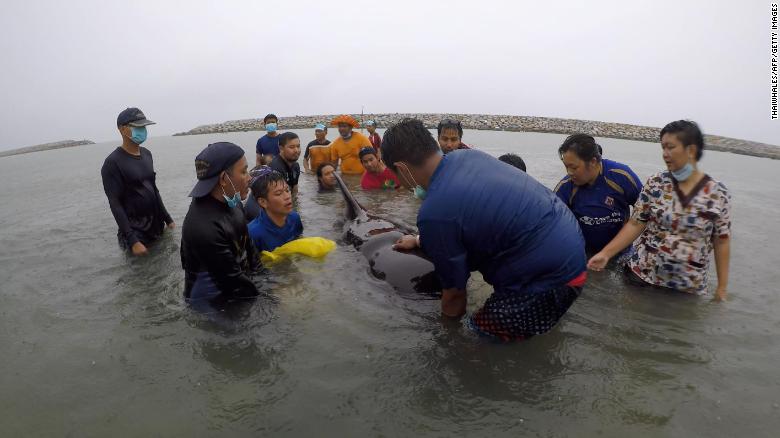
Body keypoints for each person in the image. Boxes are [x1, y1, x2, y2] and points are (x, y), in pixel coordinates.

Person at [385, 119, 587, 341]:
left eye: (395, 175)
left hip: (552, 279)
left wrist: (446, 336)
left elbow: (454, 295)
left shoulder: (434, 212)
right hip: (572, 247)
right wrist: (422, 240)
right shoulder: (469, 157)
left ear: (402, 168)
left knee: (477, 337)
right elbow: (479, 223)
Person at [588, 120, 731, 301]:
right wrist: (606, 253)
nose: (665, 154)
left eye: (670, 147)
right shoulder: (656, 182)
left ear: (691, 150)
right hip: (641, 276)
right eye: (663, 148)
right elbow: (635, 223)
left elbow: (722, 241)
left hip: (686, 288)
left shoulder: (718, 193)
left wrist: (722, 288)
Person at [181, 142, 259, 304]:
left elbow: (250, 250)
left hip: (238, 282)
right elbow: (233, 283)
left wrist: (268, 278)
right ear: (224, 179)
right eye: (244, 171)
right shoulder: (203, 227)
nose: (250, 177)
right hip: (212, 304)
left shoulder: (232, 200)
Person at [101, 107, 174, 256]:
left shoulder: (147, 154)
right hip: (136, 233)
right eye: (137, 126)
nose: (142, 130)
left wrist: (168, 219)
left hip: (157, 226)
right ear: (122, 129)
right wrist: (133, 240)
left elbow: (154, 189)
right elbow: (115, 203)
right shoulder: (112, 163)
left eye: (144, 126)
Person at [554, 134, 642, 254]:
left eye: (574, 167)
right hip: (585, 252)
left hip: (620, 251)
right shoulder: (565, 187)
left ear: (593, 162)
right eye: (566, 167)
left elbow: (646, 213)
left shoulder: (621, 176)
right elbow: (551, 223)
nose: (569, 172)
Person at [247, 167, 303, 252]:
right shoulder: (253, 233)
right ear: (263, 202)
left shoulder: (295, 218)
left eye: (287, 190)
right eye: (279, 193)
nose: (287, 196)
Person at [269, 132, 301, 197]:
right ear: (281, 149)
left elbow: (295, 191)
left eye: (298, 146)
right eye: (292, 147)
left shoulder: (296, 166)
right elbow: (278, 197)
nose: (296, 150)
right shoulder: (276, 168)